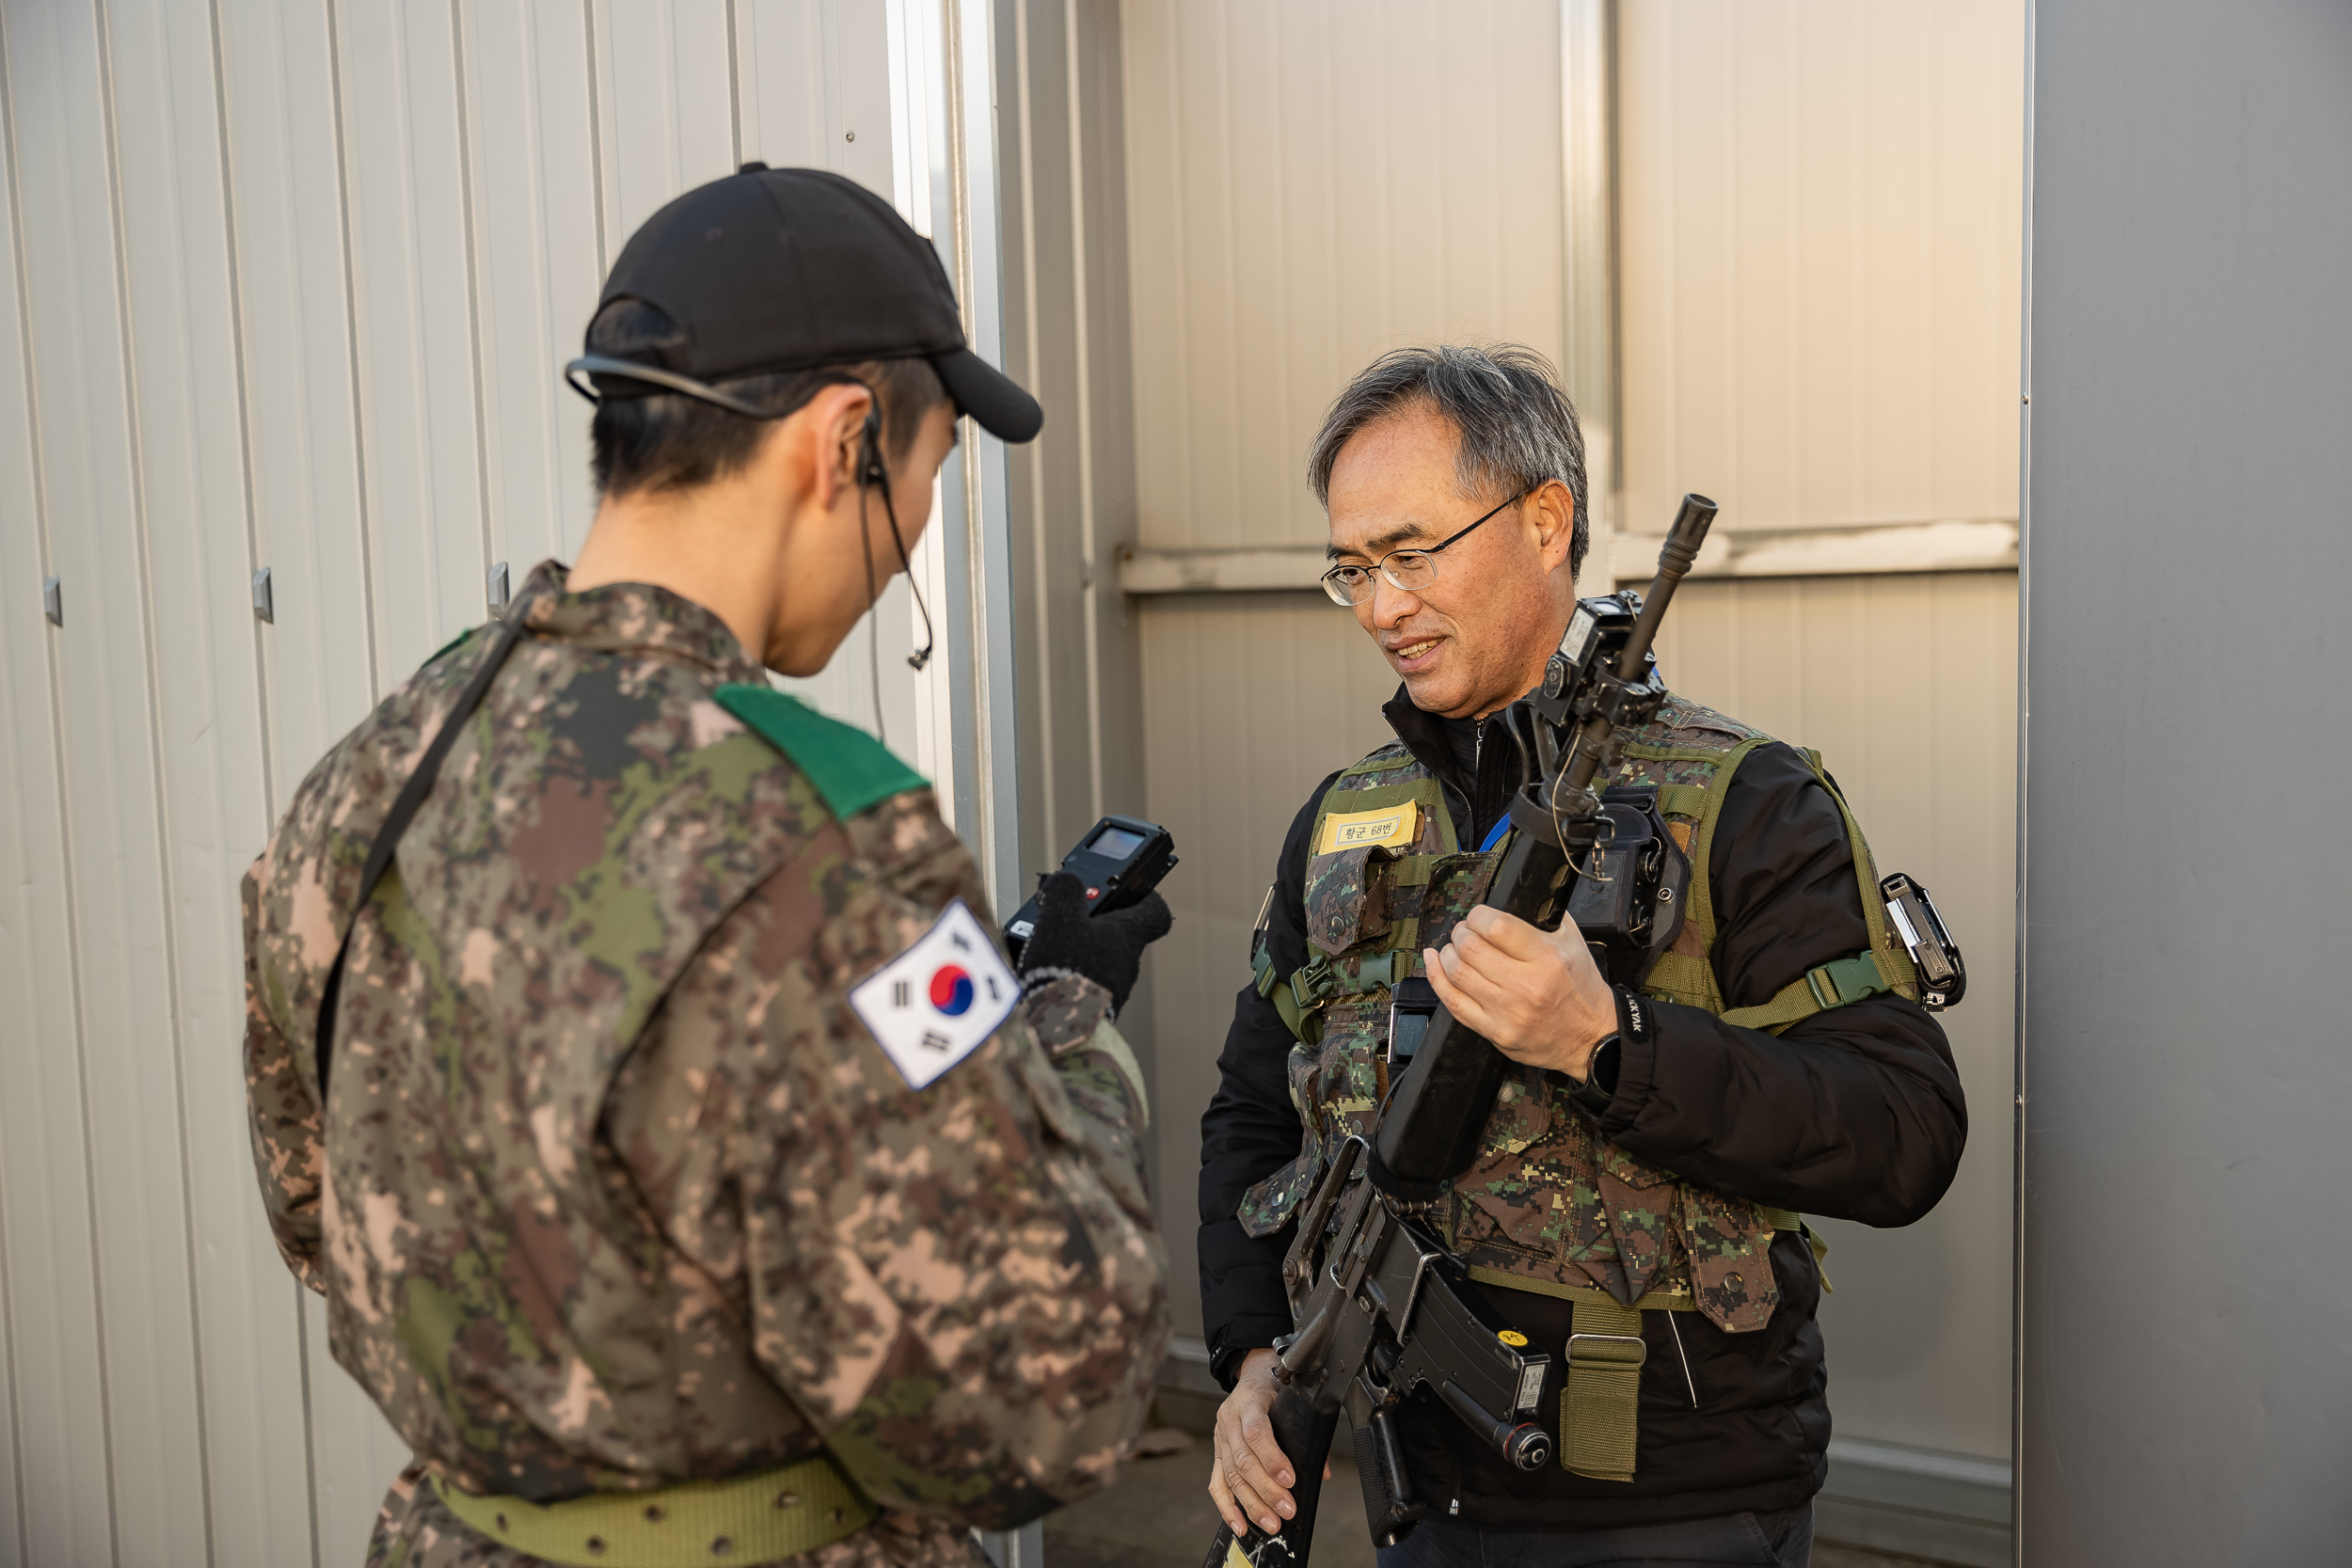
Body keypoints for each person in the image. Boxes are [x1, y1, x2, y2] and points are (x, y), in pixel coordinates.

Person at [242, 165, 1171, 1568]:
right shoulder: (827, 847)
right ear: (844, 440)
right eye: (929, 475)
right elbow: (1045, 1400)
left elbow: (319, 1208)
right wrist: (1059, 1021)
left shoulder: (370, 776)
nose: (916, 525)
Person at [1198, 344, 1967, 1567]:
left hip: (1678, 1515)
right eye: (1353, 568)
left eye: (1411, 552)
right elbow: (1249, 1114)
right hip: (1421, 1508)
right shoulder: (1346, 824)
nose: (1384, 606)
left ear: (1544, 520)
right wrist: (1249, 1362)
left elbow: (1905, 1131)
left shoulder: (1744, 803)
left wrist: (1608, 1046)